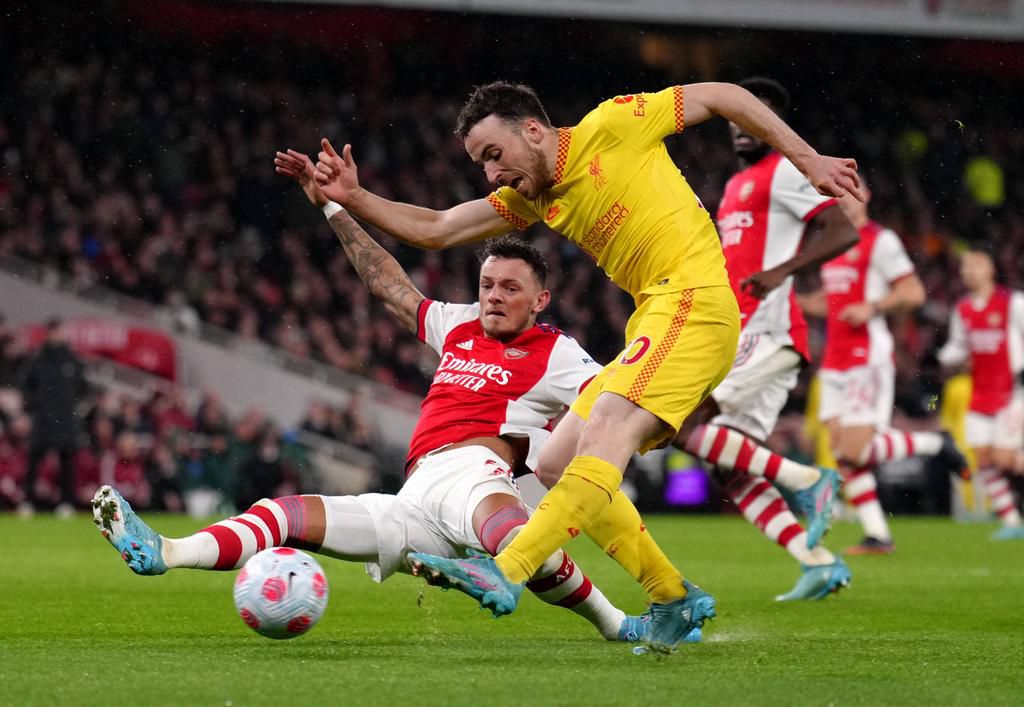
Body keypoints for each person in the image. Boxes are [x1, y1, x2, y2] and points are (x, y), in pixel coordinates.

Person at [310, 79, 863, 651]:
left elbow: (723, 94)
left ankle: (509, 568)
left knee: (607, 430)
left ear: (532, 130)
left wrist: (808, 159)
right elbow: (439, 228)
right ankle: (672, 594)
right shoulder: (534, 198)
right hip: (656, 314)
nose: (490, 174)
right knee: (555, 459)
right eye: (480, 163)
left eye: (494, 155)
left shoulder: (615, 124)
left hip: (694, 302)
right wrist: (352, 197)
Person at [91, 151, 653, 644]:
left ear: (541, 300)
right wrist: (332, 207)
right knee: (282, 514)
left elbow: (618, 401)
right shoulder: (457, 325)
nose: (494, 297)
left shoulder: (556, 352)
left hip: (478, 471)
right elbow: (386, 284)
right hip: (415, 501)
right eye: (487, 285)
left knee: (510, 528)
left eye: (510, 289)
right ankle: (165, 552)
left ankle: (604, 616)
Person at [661, 78, 858, 599]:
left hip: (767, 328)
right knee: (727, 466)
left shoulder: (787, 172)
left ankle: (807, 480)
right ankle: (815, 561)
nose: (738, 126)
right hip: (741, 327)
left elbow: (844, 231)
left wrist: (781, 272)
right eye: (734, 118)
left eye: (753, 116)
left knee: (679, 423)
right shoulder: (734, 186)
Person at [801, 189, 968, 554]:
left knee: (856, 450)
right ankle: (878, 535)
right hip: (834, 360)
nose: (843, 197)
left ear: (867, 196)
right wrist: (789, 299)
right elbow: (829, 302)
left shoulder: (880, 239)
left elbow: (914, 293)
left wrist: (872, 307)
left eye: (851, 190)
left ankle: (935, 443)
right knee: (843, 454)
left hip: (866, 355)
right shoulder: (832, 243)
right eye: (836, 192)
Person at [937, 243, 1024, 541]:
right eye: (965, 267)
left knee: (1005, 460)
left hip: (1012, 393)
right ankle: (1011, 521)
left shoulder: (1013, 303)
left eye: (975, 265)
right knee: (983, 459)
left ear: (991, 269)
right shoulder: (962, 309)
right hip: (980, 392)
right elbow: (957, 347)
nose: (969, 271)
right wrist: (947, 358)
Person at [18, 318, 87, 518]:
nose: (56, 335)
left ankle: (66, 503)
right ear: (47, 333)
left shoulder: (72, 360)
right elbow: (26, 387)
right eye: (53, 332)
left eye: (58, 331)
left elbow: (83, 388)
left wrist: (69, 407)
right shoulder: (38, 360)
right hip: (43, 419)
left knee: (67, 464)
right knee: (33, 462)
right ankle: (27, 501)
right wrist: (35, 407)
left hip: (65, 420)